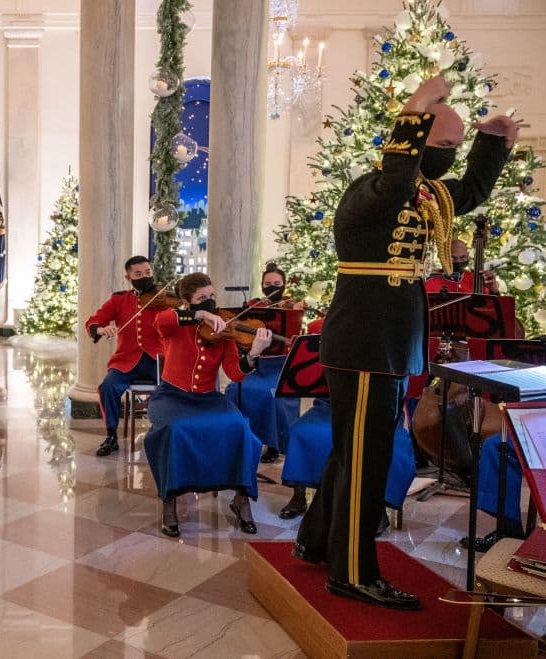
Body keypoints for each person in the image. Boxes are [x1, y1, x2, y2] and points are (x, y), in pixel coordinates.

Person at [293, 75, 517, 611]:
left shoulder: (425, 193)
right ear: (411, 138)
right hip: (368, 342)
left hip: (389, 344)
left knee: (354, 451)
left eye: (455, 148)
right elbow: (397, 173)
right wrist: (415, 108)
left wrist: (493, 143)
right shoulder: (375, 189)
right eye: (442, 145)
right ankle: (352, 572)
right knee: (366, 459)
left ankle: (316, 540)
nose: (448, 157)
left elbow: (468, 191)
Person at [142, 272, 272, 537]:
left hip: (209, 398)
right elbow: (160, 320)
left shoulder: (223, 329)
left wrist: (255, 353)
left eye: (212, 296)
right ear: (187, 303)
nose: (211, 302)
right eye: (203, 298)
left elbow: (234, 373)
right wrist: (200, 315)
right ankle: (170, 500)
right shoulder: (175, 323)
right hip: (172, 396)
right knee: (173, 430)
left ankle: (241, 499)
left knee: (239, 429)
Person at [85, 256, 168, 456]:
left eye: (148, 272)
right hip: (125, 361)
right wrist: (100, 329)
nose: (145, 277)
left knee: (171, 389)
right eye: (138, 274)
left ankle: (165, 432)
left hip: (157, 359)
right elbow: (93, 320)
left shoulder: (163, 299)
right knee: (108, 387)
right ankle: (111, 435)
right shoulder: (119, 299)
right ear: (128, 277)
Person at [226, 262, 302, 465]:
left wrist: (296, 312)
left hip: (281, 365)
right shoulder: (253, 305)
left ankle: (274, 444)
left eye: (277, 283)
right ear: (262, 285)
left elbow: (295, 338)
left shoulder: (292, 305)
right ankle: (242, 438)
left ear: (284, 284)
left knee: (272, 397)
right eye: (268, 283)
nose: (273, 287)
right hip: (256, 364)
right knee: (235, 389)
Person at [424, 238, 500, 294]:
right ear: (442, 257)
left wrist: (494, 290)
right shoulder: (429, 280)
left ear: (468, 256)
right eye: (452, 258)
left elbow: (496, 311)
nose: (458, 261)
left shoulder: (478, 280)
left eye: (463, 257)